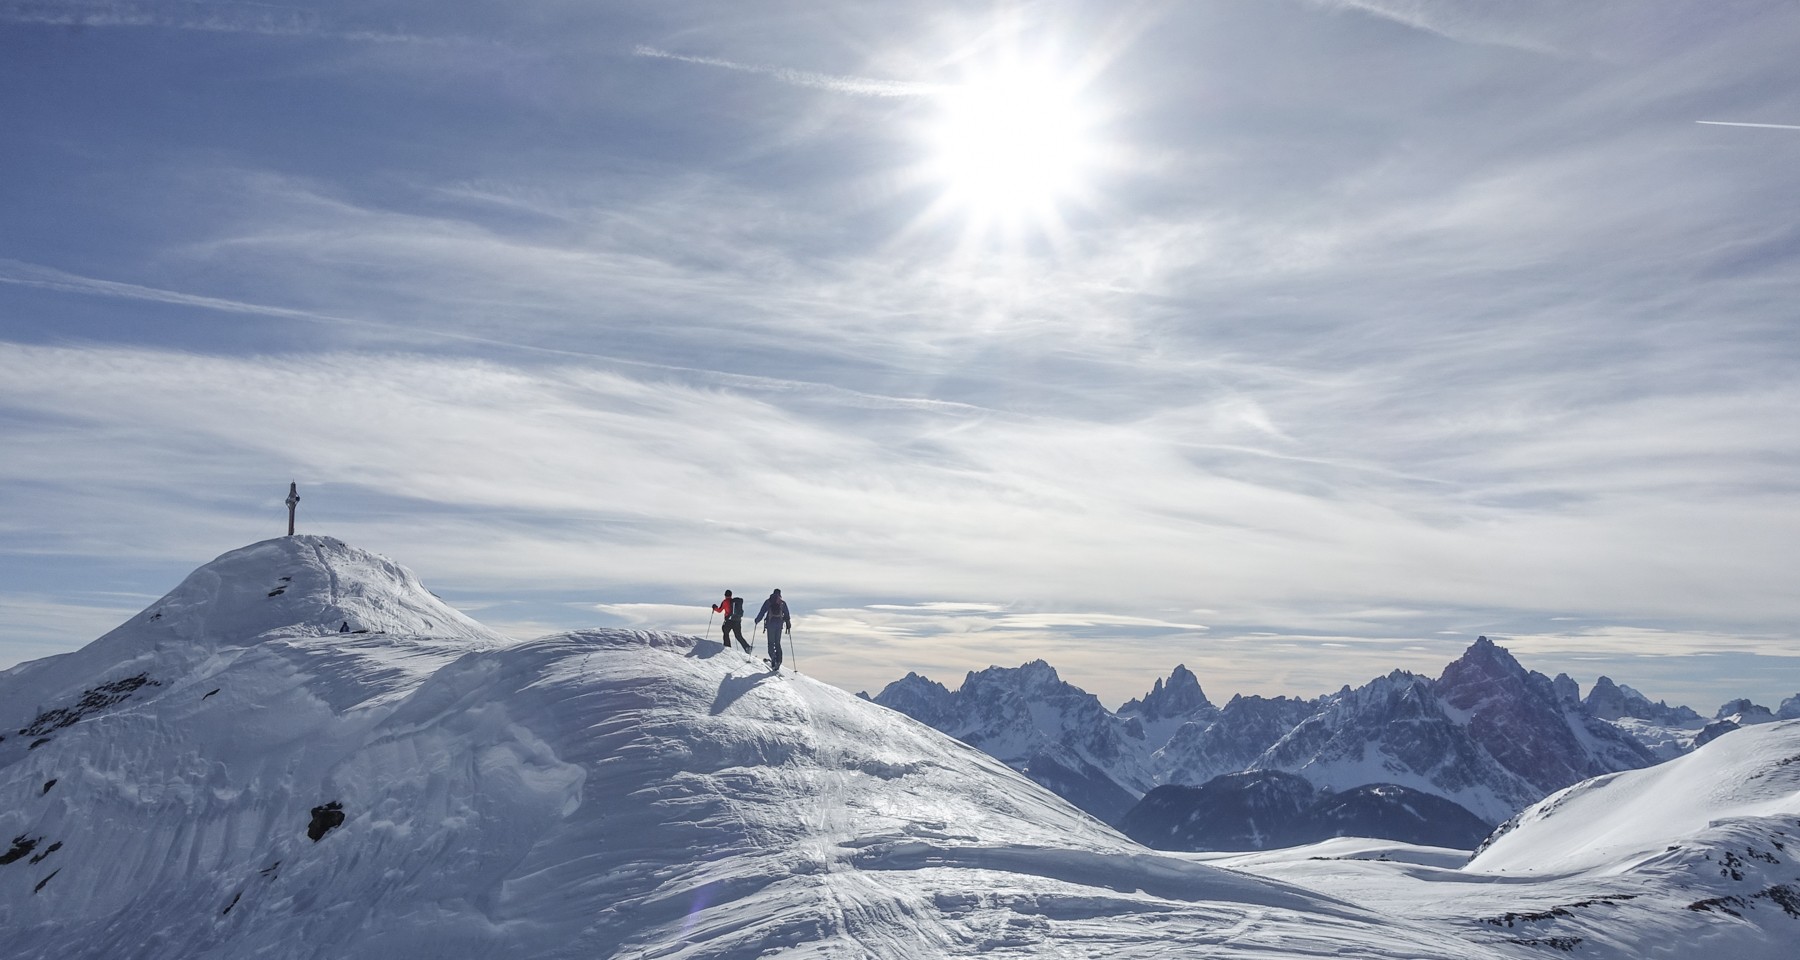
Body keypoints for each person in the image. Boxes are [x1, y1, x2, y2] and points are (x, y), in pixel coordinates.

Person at [754, 588, 791, 671]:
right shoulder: (782, 603)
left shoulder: (768, 601)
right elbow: (787, 615)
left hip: (770, 625)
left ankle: (773, 658)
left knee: (771, 643)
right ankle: (779, 660)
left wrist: (757, 620)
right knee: (777, 643)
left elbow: (762, 612)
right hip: (779, 625)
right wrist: (788, 624)